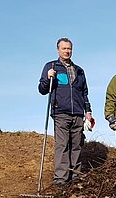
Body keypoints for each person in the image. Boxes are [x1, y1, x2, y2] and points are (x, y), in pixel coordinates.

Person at [38, 37, 93, 186]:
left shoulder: (79, 70)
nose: (67, 51)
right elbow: (42, 90)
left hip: (78, 114)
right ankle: (61, 179)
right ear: (58, 50)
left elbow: (84, 93)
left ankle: (75, 177)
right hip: (60, 112)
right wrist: (47, 79)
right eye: (64, 48)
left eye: (69, 48)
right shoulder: (51, 66)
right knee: (62, 145)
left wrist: (88, 112)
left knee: (77, 146)